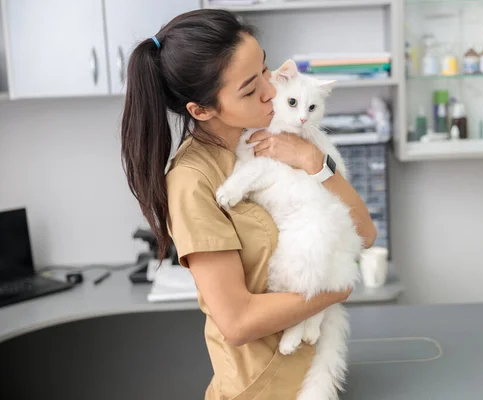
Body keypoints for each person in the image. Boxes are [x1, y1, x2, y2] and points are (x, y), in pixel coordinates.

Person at [120, 9, 377, 400]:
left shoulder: (278, 134)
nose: (270, 90)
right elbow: (237, 322)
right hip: (261, 388)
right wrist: (337, 288)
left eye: (265, 69)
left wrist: (313, 163)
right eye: (248, 88)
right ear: (202, 110)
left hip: (310, 376)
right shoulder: (193, 181)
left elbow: (365, 233)